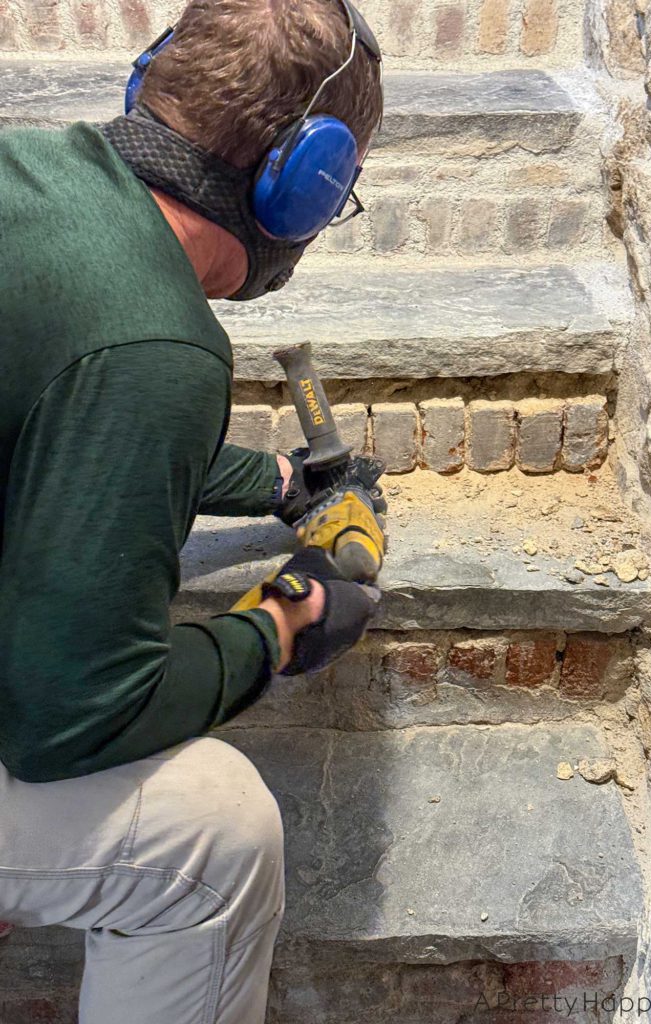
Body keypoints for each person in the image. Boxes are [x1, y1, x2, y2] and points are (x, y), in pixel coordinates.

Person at [0, 1, 384, 1020]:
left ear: (151, 79)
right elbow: (73, 716)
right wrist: (280, 627)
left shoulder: (26, 176)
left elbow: (57, 410)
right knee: (215, 837)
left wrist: (279, 484)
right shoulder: (160, 344)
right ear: (306, 184)